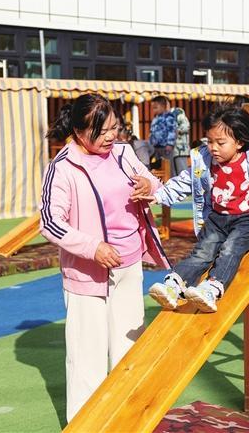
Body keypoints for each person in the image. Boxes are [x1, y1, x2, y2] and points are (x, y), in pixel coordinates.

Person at [39, 94, 169, 423]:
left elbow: (155, 185)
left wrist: (149, 185)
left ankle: (128, 420)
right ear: (79, 132)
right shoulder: (62, 167)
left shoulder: (124, 153)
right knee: (87, 358)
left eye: (115, 127)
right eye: (102, 131)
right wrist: (93, 247)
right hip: (87, 274)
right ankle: (86, 424)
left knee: (130, 349)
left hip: (129, 264)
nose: (111, 136)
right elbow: (50, 222)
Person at [140, 106, 249, 313]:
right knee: (202, 252)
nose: (213, 148)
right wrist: (160, 195)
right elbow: (185, 181)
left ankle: (212, 288)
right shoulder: (206, 160)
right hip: (218, 217)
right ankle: (174, 285)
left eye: (220, 143)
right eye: (209, 141)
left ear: (239, 142)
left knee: (230, 249)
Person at [149, 95, 190, 177]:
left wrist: (171, 141)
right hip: (161, 148)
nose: (154, 110)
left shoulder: (176, 112)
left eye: (156, 107)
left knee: (179, 171)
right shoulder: (157, 117)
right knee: (165, 169)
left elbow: (183, 127)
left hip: (178, 149)